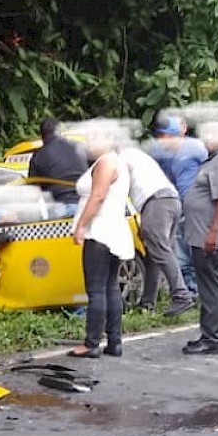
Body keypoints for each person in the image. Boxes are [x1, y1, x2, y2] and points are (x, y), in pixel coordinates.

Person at [69, 124, 134, 358]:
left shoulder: (106, 162)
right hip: (114, 230)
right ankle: (114, 341)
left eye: (95, 138)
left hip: (99, 230)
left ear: (109, 139)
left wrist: (81, 225)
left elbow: (98, 196)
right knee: (110, 286)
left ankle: (92, 342)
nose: (89, 143)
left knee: (96, 288)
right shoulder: (116, 162)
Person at [182, 123, 218, 355]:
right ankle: (207, 334)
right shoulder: (214, 160)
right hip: (202, 234)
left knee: (212, 288)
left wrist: (213, 232)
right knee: (207, 288)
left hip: (212, 236)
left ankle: (213, 339)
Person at [119, 145, 194, 316]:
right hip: (170, 199)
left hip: (155, 202)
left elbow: (119, 191)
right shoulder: (136, 154)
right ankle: (148, 303)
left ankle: (181, 295)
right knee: (154, 254)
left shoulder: (120, 158)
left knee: (160, 251)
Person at [149, 115, 208, 298]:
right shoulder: (157, 151)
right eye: (159, 136)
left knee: (194, 249)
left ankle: (199, 289)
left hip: (196, 206)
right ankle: (188, 290)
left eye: (165, 136)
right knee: (179, 250)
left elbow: (212, 167)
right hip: (173, 205)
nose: (162, 140)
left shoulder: (196, 147)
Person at [28, 118, 88, 216]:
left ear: (42, 136)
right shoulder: (77, 147)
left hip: (60, 207)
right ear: (60, 132)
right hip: (85, 204)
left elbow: (34, 192)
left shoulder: (39, 156)